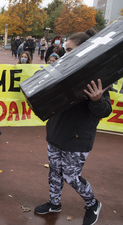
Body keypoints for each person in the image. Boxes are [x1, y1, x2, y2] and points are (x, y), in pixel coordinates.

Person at [34, 28, 112, 225]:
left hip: (77, 139)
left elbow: (104, 110)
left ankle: (93, 204)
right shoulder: (60, 69)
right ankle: (54, 203)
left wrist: (96, 99)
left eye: (70, 50)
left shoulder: (97, 76)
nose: (64, 53)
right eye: (65, 49)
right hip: (56, 133)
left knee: (70, 176)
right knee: (54, 172)